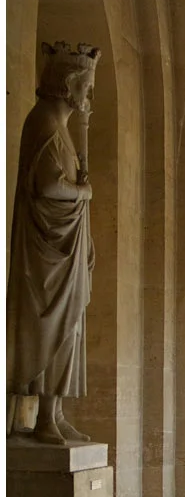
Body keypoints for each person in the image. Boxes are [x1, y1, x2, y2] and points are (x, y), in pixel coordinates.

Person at [7, 41, 101, 444]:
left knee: (71, 331)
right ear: (68, 84)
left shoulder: (59, 128)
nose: (89, 96)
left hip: (64, 255)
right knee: (50, 328)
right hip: (46, 259)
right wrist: (83, 194)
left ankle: (54, 411)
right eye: (87, 86)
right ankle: (41, 418)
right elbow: (47, 186)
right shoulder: (43, 122)